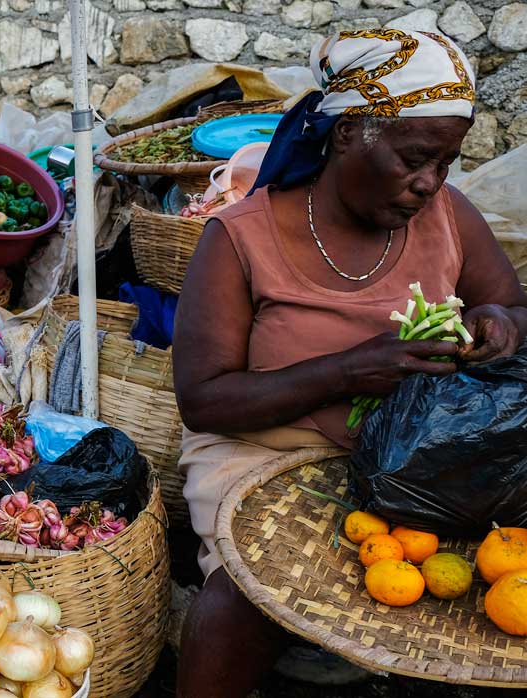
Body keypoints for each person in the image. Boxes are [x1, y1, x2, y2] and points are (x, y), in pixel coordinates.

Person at [172, 29, 527, 697]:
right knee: (248, 592)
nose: (429, 184)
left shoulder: (448, 216)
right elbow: (205, 399)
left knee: (485, 574)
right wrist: (344, 373)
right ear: (346, 134)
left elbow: (511, 306)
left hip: (418, 451)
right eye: (415, 159)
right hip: (264, 451)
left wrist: (499, 323)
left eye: (446, 163)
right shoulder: (240, 237)